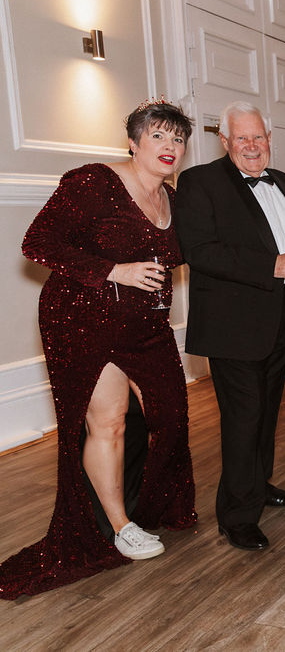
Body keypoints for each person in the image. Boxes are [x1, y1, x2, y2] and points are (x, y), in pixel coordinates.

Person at [1, 100, 198, 600]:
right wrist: (115, 270)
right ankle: (119, 525)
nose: (169, 146)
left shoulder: (174, 199)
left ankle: (145, 503)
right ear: (133, 142)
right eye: (158, 136)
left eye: (177, 138)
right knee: (108, 422)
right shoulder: (93, 182)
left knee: (171, 414)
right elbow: (37, 242)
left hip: (147, 326)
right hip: (84, 319)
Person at [175, 101, 285, 551]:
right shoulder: (199, 182)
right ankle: (236, 516)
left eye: (259, 137)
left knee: (268, 411)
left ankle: (258, 484)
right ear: (224, 140)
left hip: (284, 316)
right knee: (243, 417)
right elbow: (199, 250)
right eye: (242, 138)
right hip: (233, 325)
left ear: (269, 140)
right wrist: (272, 265)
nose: (252, 146)